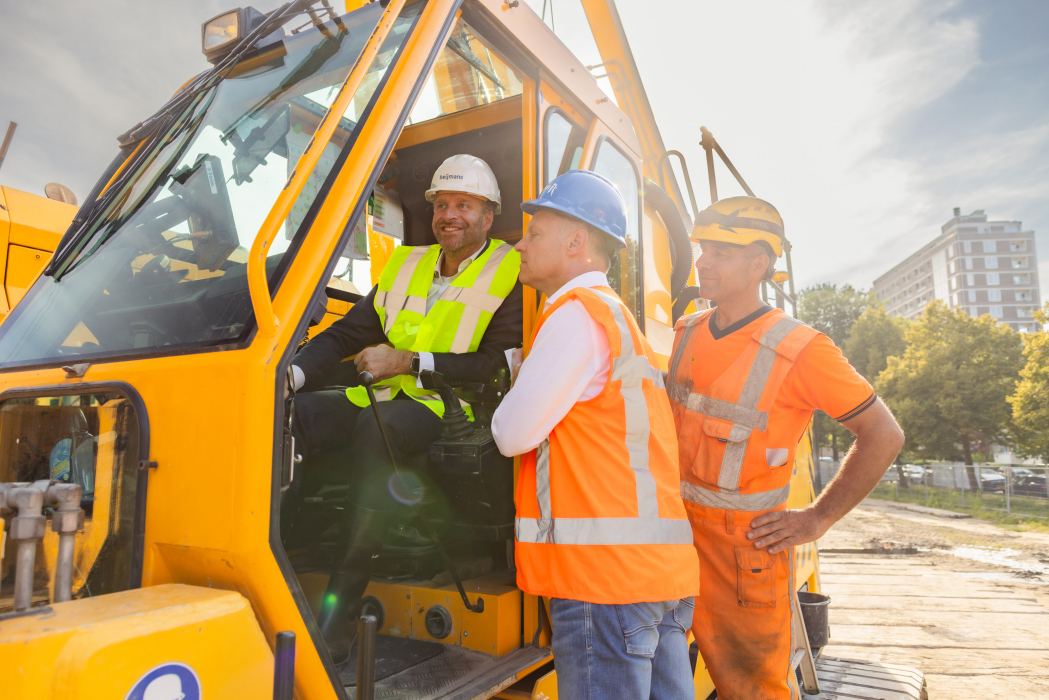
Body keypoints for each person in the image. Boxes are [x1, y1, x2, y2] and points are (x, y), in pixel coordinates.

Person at [288, 154, 523, 663]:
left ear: (488, 217)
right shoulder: (406, 264)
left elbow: (492, 366)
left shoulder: (511, 271)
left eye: (464, 205)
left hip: (451, 405)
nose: (449, 215)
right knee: (295, 413)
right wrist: (290, 377)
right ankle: (285, 552)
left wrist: (409, 361)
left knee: (383, 430)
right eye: (442, 204)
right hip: (378, 394)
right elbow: (347, 334)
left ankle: (339, 615)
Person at [669, 196, 905, 699]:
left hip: (742, 554)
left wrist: (818, 518)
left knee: (753, 689)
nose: (703, 261)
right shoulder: (685, 333)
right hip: (669, 535)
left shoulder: (802, 349)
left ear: (759, 264)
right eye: (703, 249)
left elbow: (884, 435)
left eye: (721, 253)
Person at [492, 170, 699, 700]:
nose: (520, 244)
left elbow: (511, 434)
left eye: (535, 232)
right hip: (656, 575)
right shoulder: (616, 318)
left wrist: (518, 379)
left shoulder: (576, 317)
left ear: (576, 241)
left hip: (603, 583)